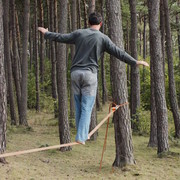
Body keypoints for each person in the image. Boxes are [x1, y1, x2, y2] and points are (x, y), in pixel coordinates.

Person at [38, 12, 149, 145]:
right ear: (100, 24)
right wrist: (135, 62)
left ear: (89, 23)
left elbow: (61, 37)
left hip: (75, 74)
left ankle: (82, 133)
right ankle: (81, 136)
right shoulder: (103, 38)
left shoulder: (79, 33)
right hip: (89, 75)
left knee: (78, 104)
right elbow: (119, 52)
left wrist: (46, 33)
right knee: (87, 107)